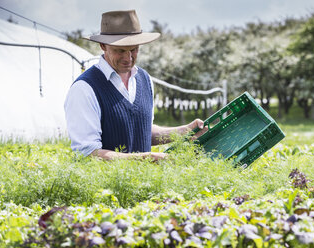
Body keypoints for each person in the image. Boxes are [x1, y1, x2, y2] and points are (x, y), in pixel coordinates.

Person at [64, 10, 207, 161]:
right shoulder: (85, 89)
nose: (128, 58)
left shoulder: (144, 79)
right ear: (103, 46)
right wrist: (147, 158)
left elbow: (144, 131)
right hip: (103, 184)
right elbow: (88, 154)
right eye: (120, 51)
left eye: (134, 49)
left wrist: (184, 131)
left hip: (143, 183)